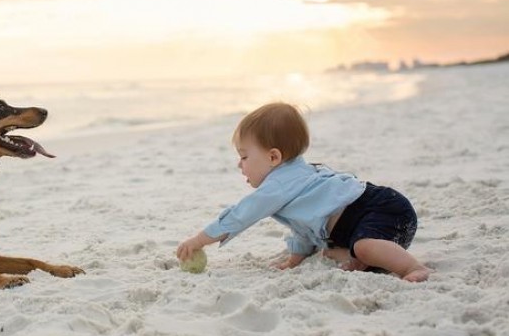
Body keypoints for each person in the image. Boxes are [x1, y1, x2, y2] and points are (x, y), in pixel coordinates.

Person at [175, 102, 431, 282]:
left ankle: (411, 267)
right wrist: (296, 257)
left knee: (364, 247)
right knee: (330, 250)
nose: (239, 164)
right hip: (371, 227)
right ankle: (365, 258)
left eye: (244, 156)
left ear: (273, 156)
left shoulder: (279, 184)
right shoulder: (295, 181)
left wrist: (199, 240)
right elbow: (304, 225)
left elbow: (242, 214)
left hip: (377, 210)